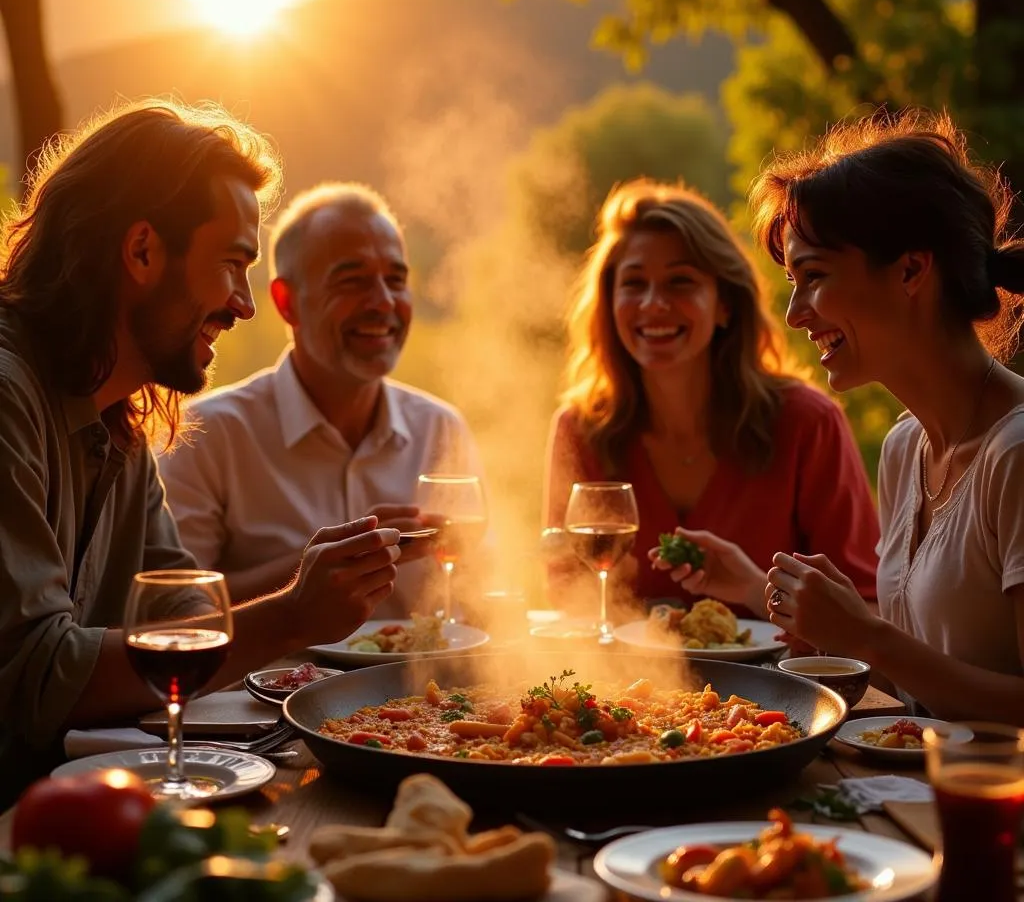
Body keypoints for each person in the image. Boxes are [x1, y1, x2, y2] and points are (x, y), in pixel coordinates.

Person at [0, 101, 402, 806]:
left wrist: (315, 599)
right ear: (144, 251)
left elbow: (177, 608)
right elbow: (38, 677)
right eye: (231, 264)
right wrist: (291, 616)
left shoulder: (117, 419)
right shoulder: (9, 398)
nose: (243, 306)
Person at [754, 110, 1024, 723]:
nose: (795, 314)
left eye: (814, 276)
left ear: (910, 270)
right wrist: (791, 605)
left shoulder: (1016, 454)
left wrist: (866, 637)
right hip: (910, 798)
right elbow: (922, 689)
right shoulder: (906, 449)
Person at [543, 178, 879, 620]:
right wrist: (605, 587)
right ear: (608, 304)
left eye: (680, 282)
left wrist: (760, 591)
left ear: (725, 304)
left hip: (785, 684)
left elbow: (865, 611)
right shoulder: (580, 428)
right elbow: (563, 597)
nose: (653, 304)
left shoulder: (808, 423)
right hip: (631, 686)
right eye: (633, 283)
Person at [158, 182, 484, 617]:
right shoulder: (205, 433)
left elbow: (481, 593)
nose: (383, 302)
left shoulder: (441, 428)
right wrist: (316, 566)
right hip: (264, 685)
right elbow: (172, 613)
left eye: (396, 280)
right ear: (286, 301)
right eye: (352, 281)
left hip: (419, 684)